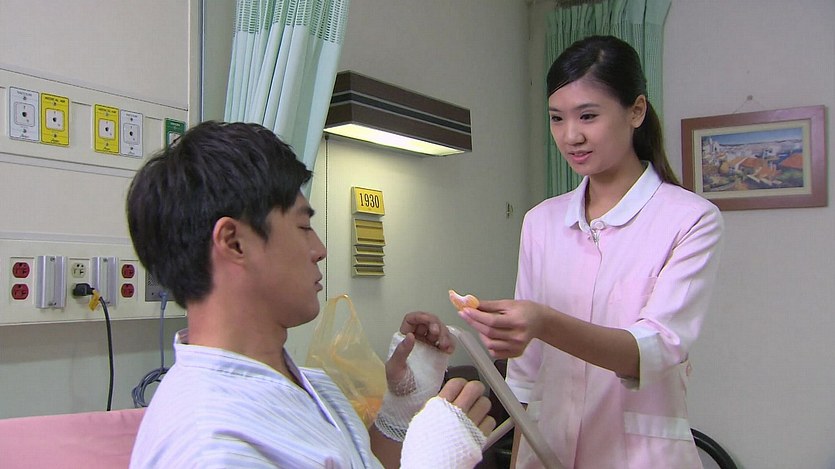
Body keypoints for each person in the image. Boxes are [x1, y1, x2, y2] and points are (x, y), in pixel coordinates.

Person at [126, 121, 495, 468]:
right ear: (235, 243)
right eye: (303, 226)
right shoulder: (210, 446)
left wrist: (400, 415)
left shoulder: (307, 385)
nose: (320, 249)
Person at [457, 35, 724, 468]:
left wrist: (543, 321)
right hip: (547, 451)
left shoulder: (690, 219)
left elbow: (654, 349)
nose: (571, 136)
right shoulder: (541, 222)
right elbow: (526, 374)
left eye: (588, 116)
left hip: (641, 457)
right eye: (556, 118)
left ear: (636, 111)